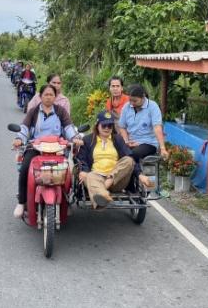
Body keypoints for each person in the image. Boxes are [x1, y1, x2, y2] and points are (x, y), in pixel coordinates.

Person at [11, 83, 82, 218]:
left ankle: (66, 202)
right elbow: (25, 128)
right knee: (25, 169)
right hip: (36, 148)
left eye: (51, 95)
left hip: (57, 149)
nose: (48, 97)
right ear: (40, 96)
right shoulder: (33, 112)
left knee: (69, 172)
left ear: (55, 97)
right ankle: (21, 202)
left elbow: (68, 128)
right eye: (46, 95)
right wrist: (19, 139)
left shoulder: (61, 111)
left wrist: (75, 138)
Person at [77, 111, 153, 208]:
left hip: (117, 180)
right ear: (97, 125)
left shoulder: (118, 139)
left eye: (110, 126)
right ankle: (101, 198)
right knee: (89, 176)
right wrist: (84, 171)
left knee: (128, 160)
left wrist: (140, 175)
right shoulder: (88, 140)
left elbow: (130, 156)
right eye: (104, 125)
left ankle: (102, 191)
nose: (107, 128)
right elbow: (81, 158)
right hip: (96, 176)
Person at [118, 84, 168, 163]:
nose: (132, 103)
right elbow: (122, 126)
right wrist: (126, 141)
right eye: (130, 100)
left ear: (143, 97)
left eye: (135, 101)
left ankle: (134, 170)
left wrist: (162, 148)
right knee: (114, 150)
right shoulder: (126, 107)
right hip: (131, 142)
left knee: (133, 154)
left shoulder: (153, 107)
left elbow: (157, 127)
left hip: (148, 143)